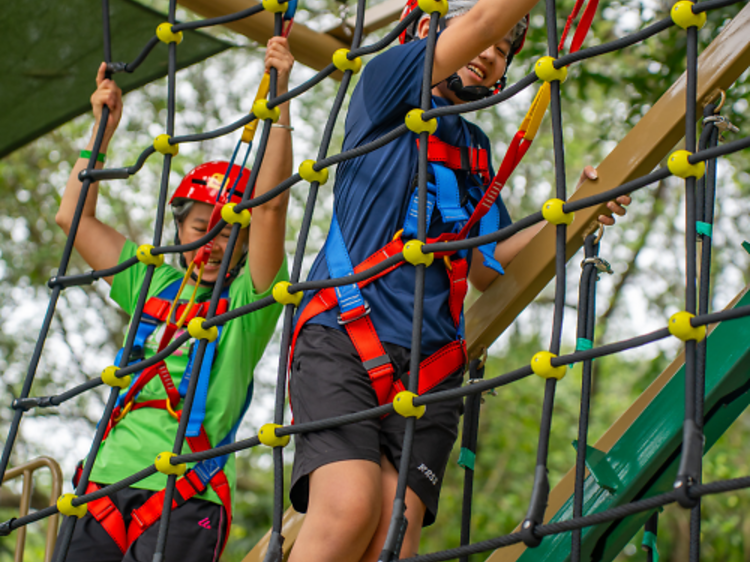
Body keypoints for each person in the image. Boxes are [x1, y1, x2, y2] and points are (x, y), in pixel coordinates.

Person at [286, 1, 630, 560]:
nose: (489, 55)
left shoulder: (474, 149)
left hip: (431, 363)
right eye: (485, 43)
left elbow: (490, 267)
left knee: (394, 538)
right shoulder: (389, 82)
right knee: (349, 510)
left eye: (502, 54)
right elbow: (479, 24)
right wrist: (485, 26)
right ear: (427, 30)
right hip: (346, 332)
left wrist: (574, 209)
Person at [53, 37, 294, 561]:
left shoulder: (250, 302)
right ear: (180, 227)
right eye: (202, 228)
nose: (212, 245)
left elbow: (271, 209)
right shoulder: (153, 285)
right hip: (101, 485)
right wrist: (100, 133)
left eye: (229, 234)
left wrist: (281, 104)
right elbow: (74, 220)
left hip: (186, 493)